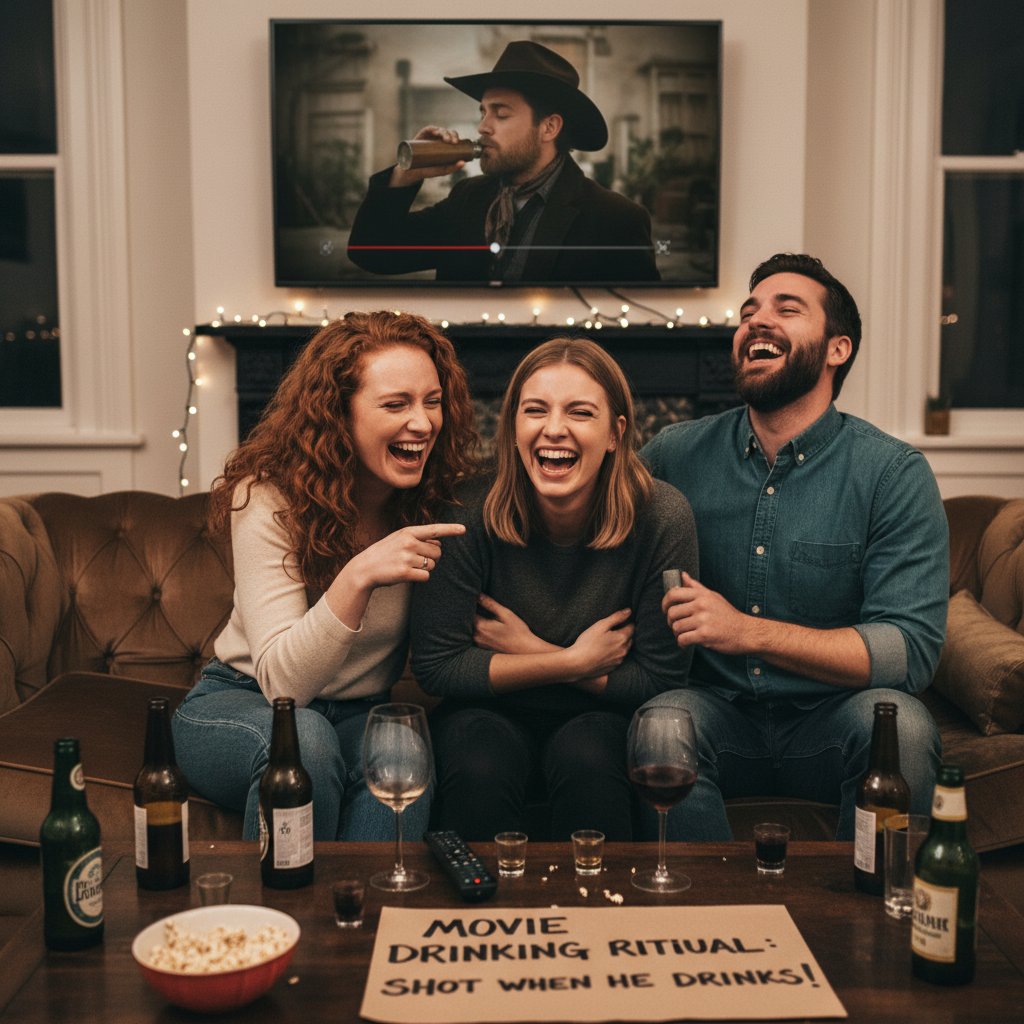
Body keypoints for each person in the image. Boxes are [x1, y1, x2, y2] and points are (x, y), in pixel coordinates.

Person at [640, 253, 948, 841]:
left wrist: (746, 632)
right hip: (716, 713)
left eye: (787, 309)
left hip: (834, 718)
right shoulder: (672, 456)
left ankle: (877, 915)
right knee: (662, 724)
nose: (756, 321)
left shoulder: (892, 474)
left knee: (901, 728)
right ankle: (708, 915)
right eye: (748, 311)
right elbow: (587, 533)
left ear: (838, 348)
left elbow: (908, 650)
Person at [171, 311, 476, 842]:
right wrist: (357, 576)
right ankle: (274, 920)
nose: (424, 423)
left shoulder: (434, 502)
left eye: (432, 401)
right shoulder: (268, 498)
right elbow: (285, 685)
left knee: (402, 753)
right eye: (396, 404)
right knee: (303, 740)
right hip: (242, 701)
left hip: (359, 711)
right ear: (339, 414)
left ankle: (368, 919)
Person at [409, 337, 696, 841]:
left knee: (588, 760)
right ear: (514, 427)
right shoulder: (465, 511)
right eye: (534, 410)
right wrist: (571, 662)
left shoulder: (662, 517)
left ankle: (602, 917)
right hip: (485, 711)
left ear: (615, 433)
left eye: (580, 413)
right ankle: (476, 913)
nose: (553, 429)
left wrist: (529, 650)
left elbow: (660, 678)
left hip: (601, 714)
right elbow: (436, 666)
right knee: (480, 765)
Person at [347, 41, 660, 284]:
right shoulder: (467, 199)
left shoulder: (615, 220)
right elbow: (372, 253)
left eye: (501, 113)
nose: (483, 127)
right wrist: (407, 174)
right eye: (482, 112)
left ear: (549, 127)